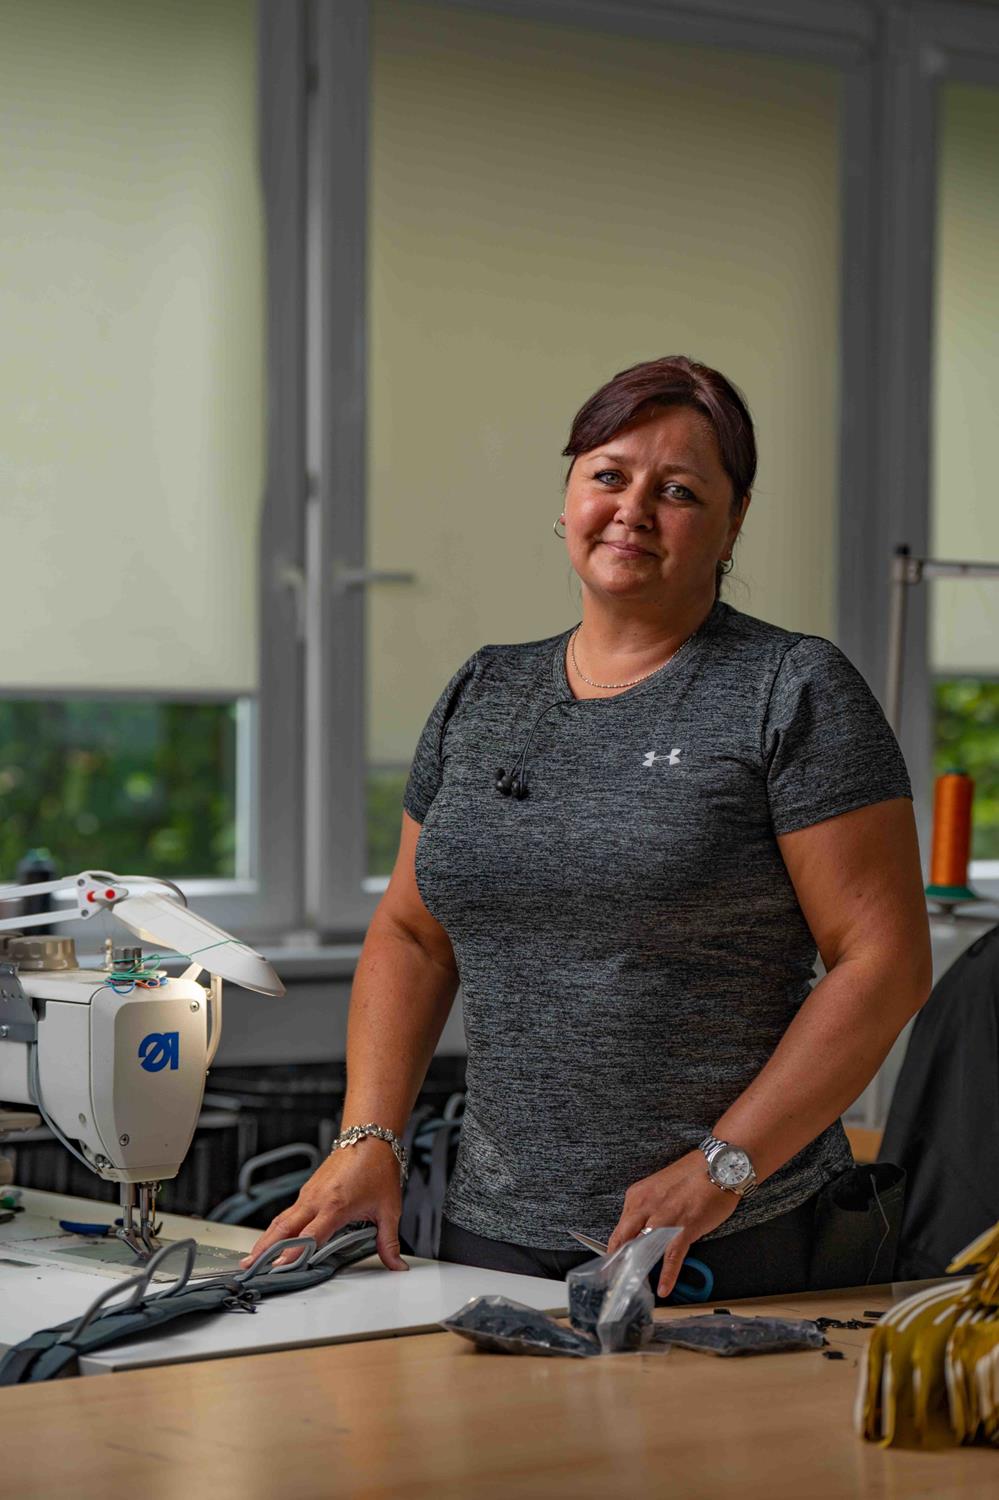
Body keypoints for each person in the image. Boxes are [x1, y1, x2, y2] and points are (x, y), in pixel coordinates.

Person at [244, 355, 932, 1300]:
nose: (632, 510)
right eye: (608, 475)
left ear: (733, 521)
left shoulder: (791, 689)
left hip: (726, 1236)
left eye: (678, 491)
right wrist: (368, 1137)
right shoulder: (485, 690)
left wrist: (722, 1167)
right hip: (490, 1229)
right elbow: (412, 933)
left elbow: (882, 962)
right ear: (567, 497)